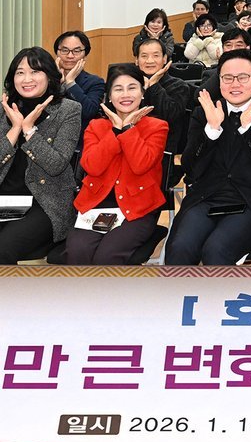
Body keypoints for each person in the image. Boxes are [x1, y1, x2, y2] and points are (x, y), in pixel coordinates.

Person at [0, 47, 81, 264]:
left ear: (49, 76)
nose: (27, 79)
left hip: (44, 203)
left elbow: (56, 164)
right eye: (20, 72)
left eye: (35, 72)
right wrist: (14, 129)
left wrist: (29, 130)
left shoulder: (68, 110)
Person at [164, 49, 251, 265]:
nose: (235, 84)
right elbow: (190, 168)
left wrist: (249, 128)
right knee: (180, 247)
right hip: (206, 198)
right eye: (228, 78)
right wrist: (211, 130)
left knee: (216, 250)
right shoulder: (205, 112)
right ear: (219, 80)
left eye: (243, 77)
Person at [66, 65, 168, 265]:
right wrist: (114, 131)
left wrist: (128, 129)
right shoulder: (96, 126)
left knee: (107, 257)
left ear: (142, 92)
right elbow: (92, 167)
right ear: (109, 96)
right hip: (96, 204)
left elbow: (141, 165)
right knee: (77, 253)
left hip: (137, 207)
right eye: (118, 89)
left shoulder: (157, 127)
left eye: (132, 88)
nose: (125, 94)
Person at [135, 38, 193, 154]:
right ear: (136, 60)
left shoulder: (179, 86)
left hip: (164, 148)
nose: (150, 61)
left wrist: (154, 85)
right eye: (144, 56)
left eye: (156, 56)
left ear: (165, 59)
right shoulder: (130, 85)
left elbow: (170, 116)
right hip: (133, 143)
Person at [53, 30, 105, 129]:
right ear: (57, 53)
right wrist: (57, 83)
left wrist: (70, 83)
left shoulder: (95, 82)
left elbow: (89, 112)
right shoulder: (46, 80)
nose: (70, 56)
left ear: (85, 55)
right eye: (64, 50)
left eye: (76, 51)